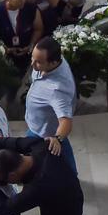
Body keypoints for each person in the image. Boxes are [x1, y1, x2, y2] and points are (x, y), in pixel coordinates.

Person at [24, 36, 78, 171]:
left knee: (64, 163)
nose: (32, 65)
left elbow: (66, 122)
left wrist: (57, 139)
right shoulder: (57, 59)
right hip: (37, 125)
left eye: (38, 62)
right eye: (32, 58)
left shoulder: (58, 90)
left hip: (44, 133)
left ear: (53, 63)